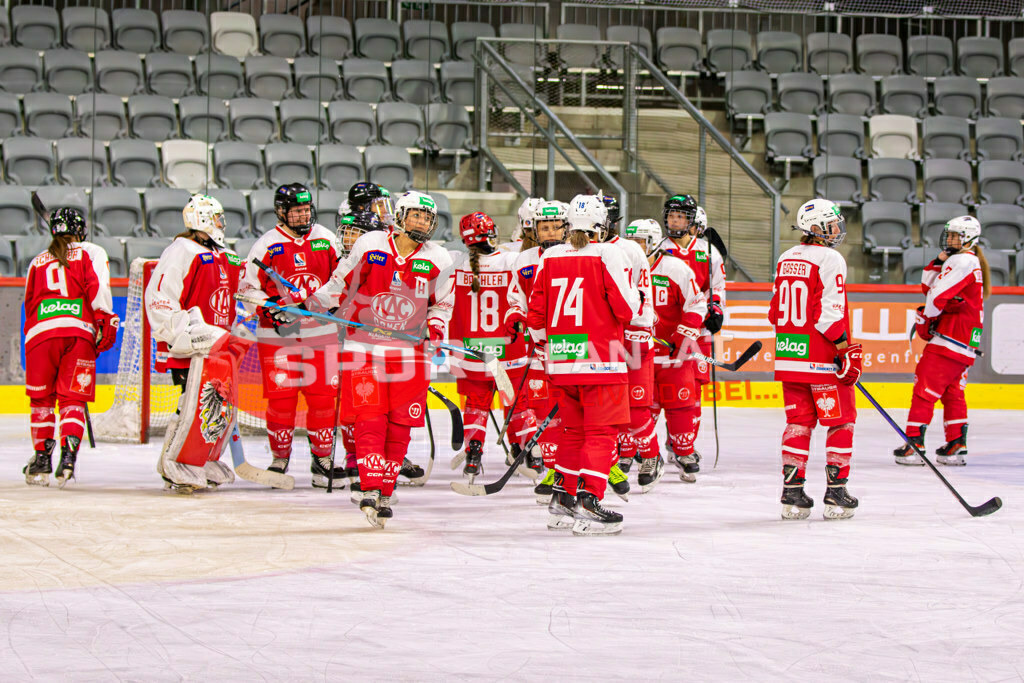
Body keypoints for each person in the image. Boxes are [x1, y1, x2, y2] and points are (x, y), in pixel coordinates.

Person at [305, 190, 454, 527]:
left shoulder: (439, 258)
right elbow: (340, 284)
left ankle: (386, 491)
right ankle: (370, 487)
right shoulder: (371, 244)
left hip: (410, 355)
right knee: (369, 418)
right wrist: (313, 305)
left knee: (400, 426)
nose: (422, 222)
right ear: (400, 216)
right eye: (416, 215)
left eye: (428, 218)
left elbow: (442, 305)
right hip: (364, 349)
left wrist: (434, 327)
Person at [527, 194, 640, 535]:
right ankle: (589, 501)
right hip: (601, 360)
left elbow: (535, 315)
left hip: (561, 360)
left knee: (572, 432)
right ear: (600, 224)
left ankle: (562, 499)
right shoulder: (609, 253)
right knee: (601, 433)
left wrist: (546, 347)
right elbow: (626, 310)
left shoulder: (550, 257)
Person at [241, 183, 346, 487]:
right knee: (282, 399)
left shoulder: (327, 240)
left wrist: (325, 305)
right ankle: (279, 460)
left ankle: (322, 460)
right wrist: (269, 306)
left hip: (321, 332)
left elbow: (341, 280)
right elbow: (247, 289)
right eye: (296, 211)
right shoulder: (266, 245)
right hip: (278, 337)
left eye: (305, 209)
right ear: (281, 212)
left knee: (323, 398)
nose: (303, 215)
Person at [768, 199, 862, 520]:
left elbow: (773, 311)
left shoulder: (786, 257)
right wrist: (844, 348)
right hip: (821, 359)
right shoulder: (830, 258)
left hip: (789, 356)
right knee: (840, 421)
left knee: (798, 423)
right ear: (817, 229)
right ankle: (836, 494)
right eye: (832, 225)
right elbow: (829, 313)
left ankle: (792, 494)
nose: (837, 231)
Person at [146, 195, 244, 492]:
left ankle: (200, 459)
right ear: (201, 219)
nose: (220, 224)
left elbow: (234, 298)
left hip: (219, 347)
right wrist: (182, 333)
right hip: (194, 347)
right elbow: (162, 296)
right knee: (188, 406)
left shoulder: (224, 254)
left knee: (216, 407)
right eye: (215, 217)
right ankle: (173, 463)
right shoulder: (181, 250)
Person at [22, 208, 119, 487]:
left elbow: (29, 305)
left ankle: (41, 460)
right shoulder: (92, 251)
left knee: (41, 401)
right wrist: (104, 319)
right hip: (78, 333)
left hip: (40, 335)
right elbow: (97, 286)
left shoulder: (36, 262)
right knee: (71, 399)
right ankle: (67, 460)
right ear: (81, 229)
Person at [894, 215, 990, 467]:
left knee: (923, 389)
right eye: (948, 234)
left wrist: (925, 320)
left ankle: (914, 444)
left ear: (968, 238)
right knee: (952, 392)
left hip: (949, 339)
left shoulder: (962, 260)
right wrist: (937, 261)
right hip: (964, 341)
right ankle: (956, 444)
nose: (949, 239)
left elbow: (935, 296)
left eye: (955, 235)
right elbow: (929, 287)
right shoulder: (966, 261)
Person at [448, 212, 537, 481]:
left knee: (475, 405)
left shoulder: (457, 263)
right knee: (515, 404)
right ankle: (526, 453)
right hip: (505, 350)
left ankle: (473, 455)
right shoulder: (510, 260)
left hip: (472, 350)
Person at [624, 218, 707, 490]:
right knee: (637, 408)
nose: (636, 247)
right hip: (636, 354)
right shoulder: (623, 268)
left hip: (672, 355)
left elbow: (697, 303)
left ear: (654, 243)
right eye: (633, 241)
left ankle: (683, 450)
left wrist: (684, 334)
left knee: (681, 405)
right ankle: (635, 452)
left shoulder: (675, 268)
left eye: (642, 242)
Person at [655, 195, 726, 481]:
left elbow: (717, 287)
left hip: (697, 332)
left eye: (680, 217)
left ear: (691, 220)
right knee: (653, 394)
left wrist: (716, 308)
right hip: (664, 335)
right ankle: (641, 446)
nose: (674, 221)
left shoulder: (708, 252)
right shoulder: (658, 249)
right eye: (671, 216)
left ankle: (681, 443)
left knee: (691, 391)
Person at [506, 200, 568, 503]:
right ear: (534, 229)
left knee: (572, 408)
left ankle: (588, 466)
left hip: (574, 343)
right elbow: (516, 296)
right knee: (545, 407)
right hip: (540, 343)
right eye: (545, 226)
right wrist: (516, 315)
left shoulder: (581, 256)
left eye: (556, 225)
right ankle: (557, 470)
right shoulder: (525, 259)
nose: (551, 231)